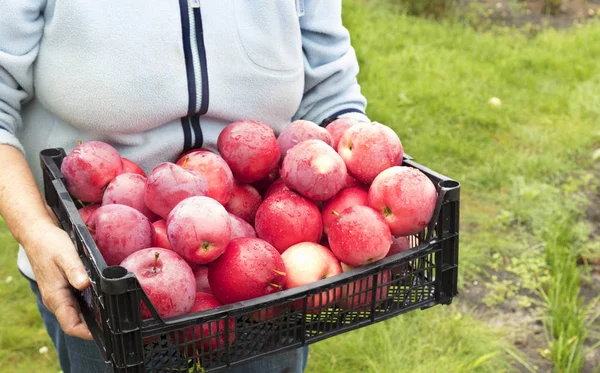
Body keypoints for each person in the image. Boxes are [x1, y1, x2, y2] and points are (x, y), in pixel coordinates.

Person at [0, 1, 370, 372]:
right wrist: (35, 232)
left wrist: (370, 163)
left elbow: (329, 89)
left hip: (262, 260)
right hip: (107, 272)